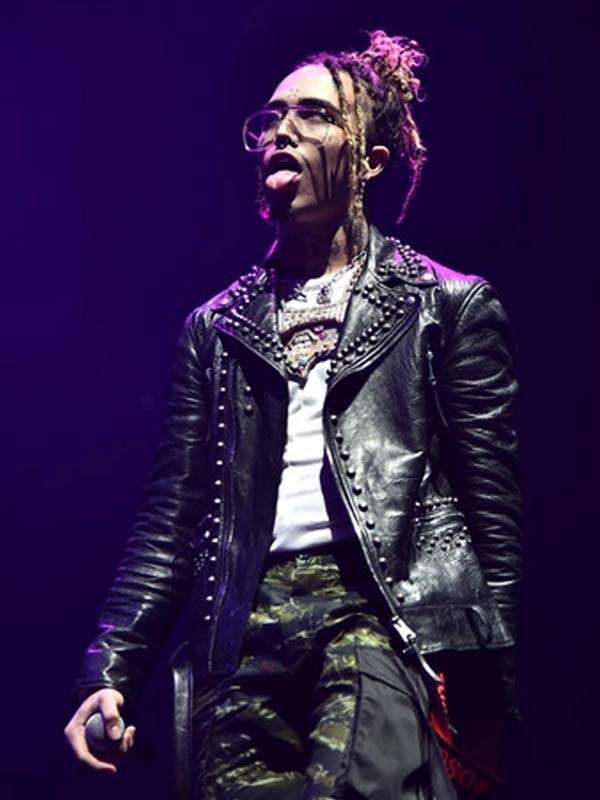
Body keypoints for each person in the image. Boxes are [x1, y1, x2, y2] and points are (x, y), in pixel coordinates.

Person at [65, 29, 523, 800]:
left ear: (370, 161)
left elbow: (492, 511)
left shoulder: (446, 305)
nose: (282, 130)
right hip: (241, 633)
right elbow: (171, 517)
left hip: (380, 617)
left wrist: (489, 696)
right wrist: (110, 671)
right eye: (272, 117)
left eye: (314, 114)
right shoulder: (216, 327)